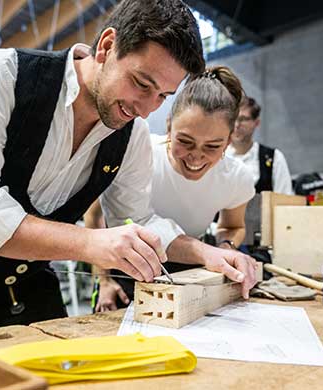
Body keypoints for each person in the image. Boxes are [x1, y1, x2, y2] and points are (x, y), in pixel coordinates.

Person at [0, 0, 246, 332]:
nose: (145, 110)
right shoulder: (5, 74)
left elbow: (140, 218)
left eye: (162, 96)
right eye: (142, 84)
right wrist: (90, 243)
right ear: (107, 46)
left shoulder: (133, 135)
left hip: (33, 284)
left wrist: (205, 253)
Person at [89, 66, 258, 312]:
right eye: (185, 141)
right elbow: (96, 217)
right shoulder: (138, 153)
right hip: (122, 267)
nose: (196, 157)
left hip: (192, 271)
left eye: (212, 146)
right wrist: (102, 280)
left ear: (229, 140)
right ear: (169, 126)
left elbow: (233, 226)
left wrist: (224, 250)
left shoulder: (236, 177)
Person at [226, 97, 294, 194]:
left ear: (256, 123)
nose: (236, 125)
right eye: (233, 119)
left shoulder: (274, 158)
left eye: (243, 119)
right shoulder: (216, 157)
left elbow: (284, 199)